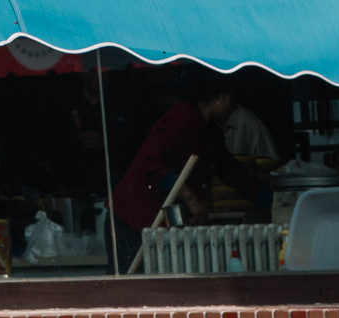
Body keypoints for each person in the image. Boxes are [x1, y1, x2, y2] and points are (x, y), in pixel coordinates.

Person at [111, 77, 266, 235]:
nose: (235, 108)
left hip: (159, 225)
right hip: (134, 218)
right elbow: (152, 161)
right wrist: (191, 199)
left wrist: (271, 200)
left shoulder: (212, 135)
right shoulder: (184, 115)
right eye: (232, 101)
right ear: (220, 97)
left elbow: (234, 173)